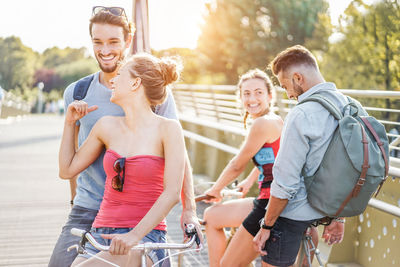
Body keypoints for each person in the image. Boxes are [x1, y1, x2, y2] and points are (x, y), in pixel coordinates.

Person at [49, 7, 200, 267]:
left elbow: (179, 159)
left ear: (127, 41)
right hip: (90, 210)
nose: (105, 50)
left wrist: (190, 210)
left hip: (142, 217)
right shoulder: (79, 94)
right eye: (98, 42)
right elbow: (68, 168)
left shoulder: (159, 103)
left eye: (113, 42)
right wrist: (68, 122)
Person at [59, 53, 184, 266]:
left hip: (146, 237)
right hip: (100, 234)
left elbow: (172, 193)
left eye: (121, 75)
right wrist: (70, 123)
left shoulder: (168, 129)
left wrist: (134, 236)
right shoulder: (106, 126)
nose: (113, 80)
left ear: (136, 82)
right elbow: (66, 170)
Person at [253, 45, 345, 267]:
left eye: (286, 86)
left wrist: (266, 226)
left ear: (298, 77)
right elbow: (348, 169)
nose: (289, 94)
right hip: (326, 211)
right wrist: (339, 217)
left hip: (293, 217)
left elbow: (285, 183)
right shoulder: (350, 106)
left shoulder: (301, 114)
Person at [203, 69, 284, 267]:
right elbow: (273, 159)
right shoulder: (275, 120)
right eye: (246, 94)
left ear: (270, 95)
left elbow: (236, 165)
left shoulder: (262, 124)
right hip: (273, 198)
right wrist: (248, 181)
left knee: (228, 265)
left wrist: (215, 189)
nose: (252, 98)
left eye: (258, 92)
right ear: (240, 97)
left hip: (270, 204)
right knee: (211, 217)